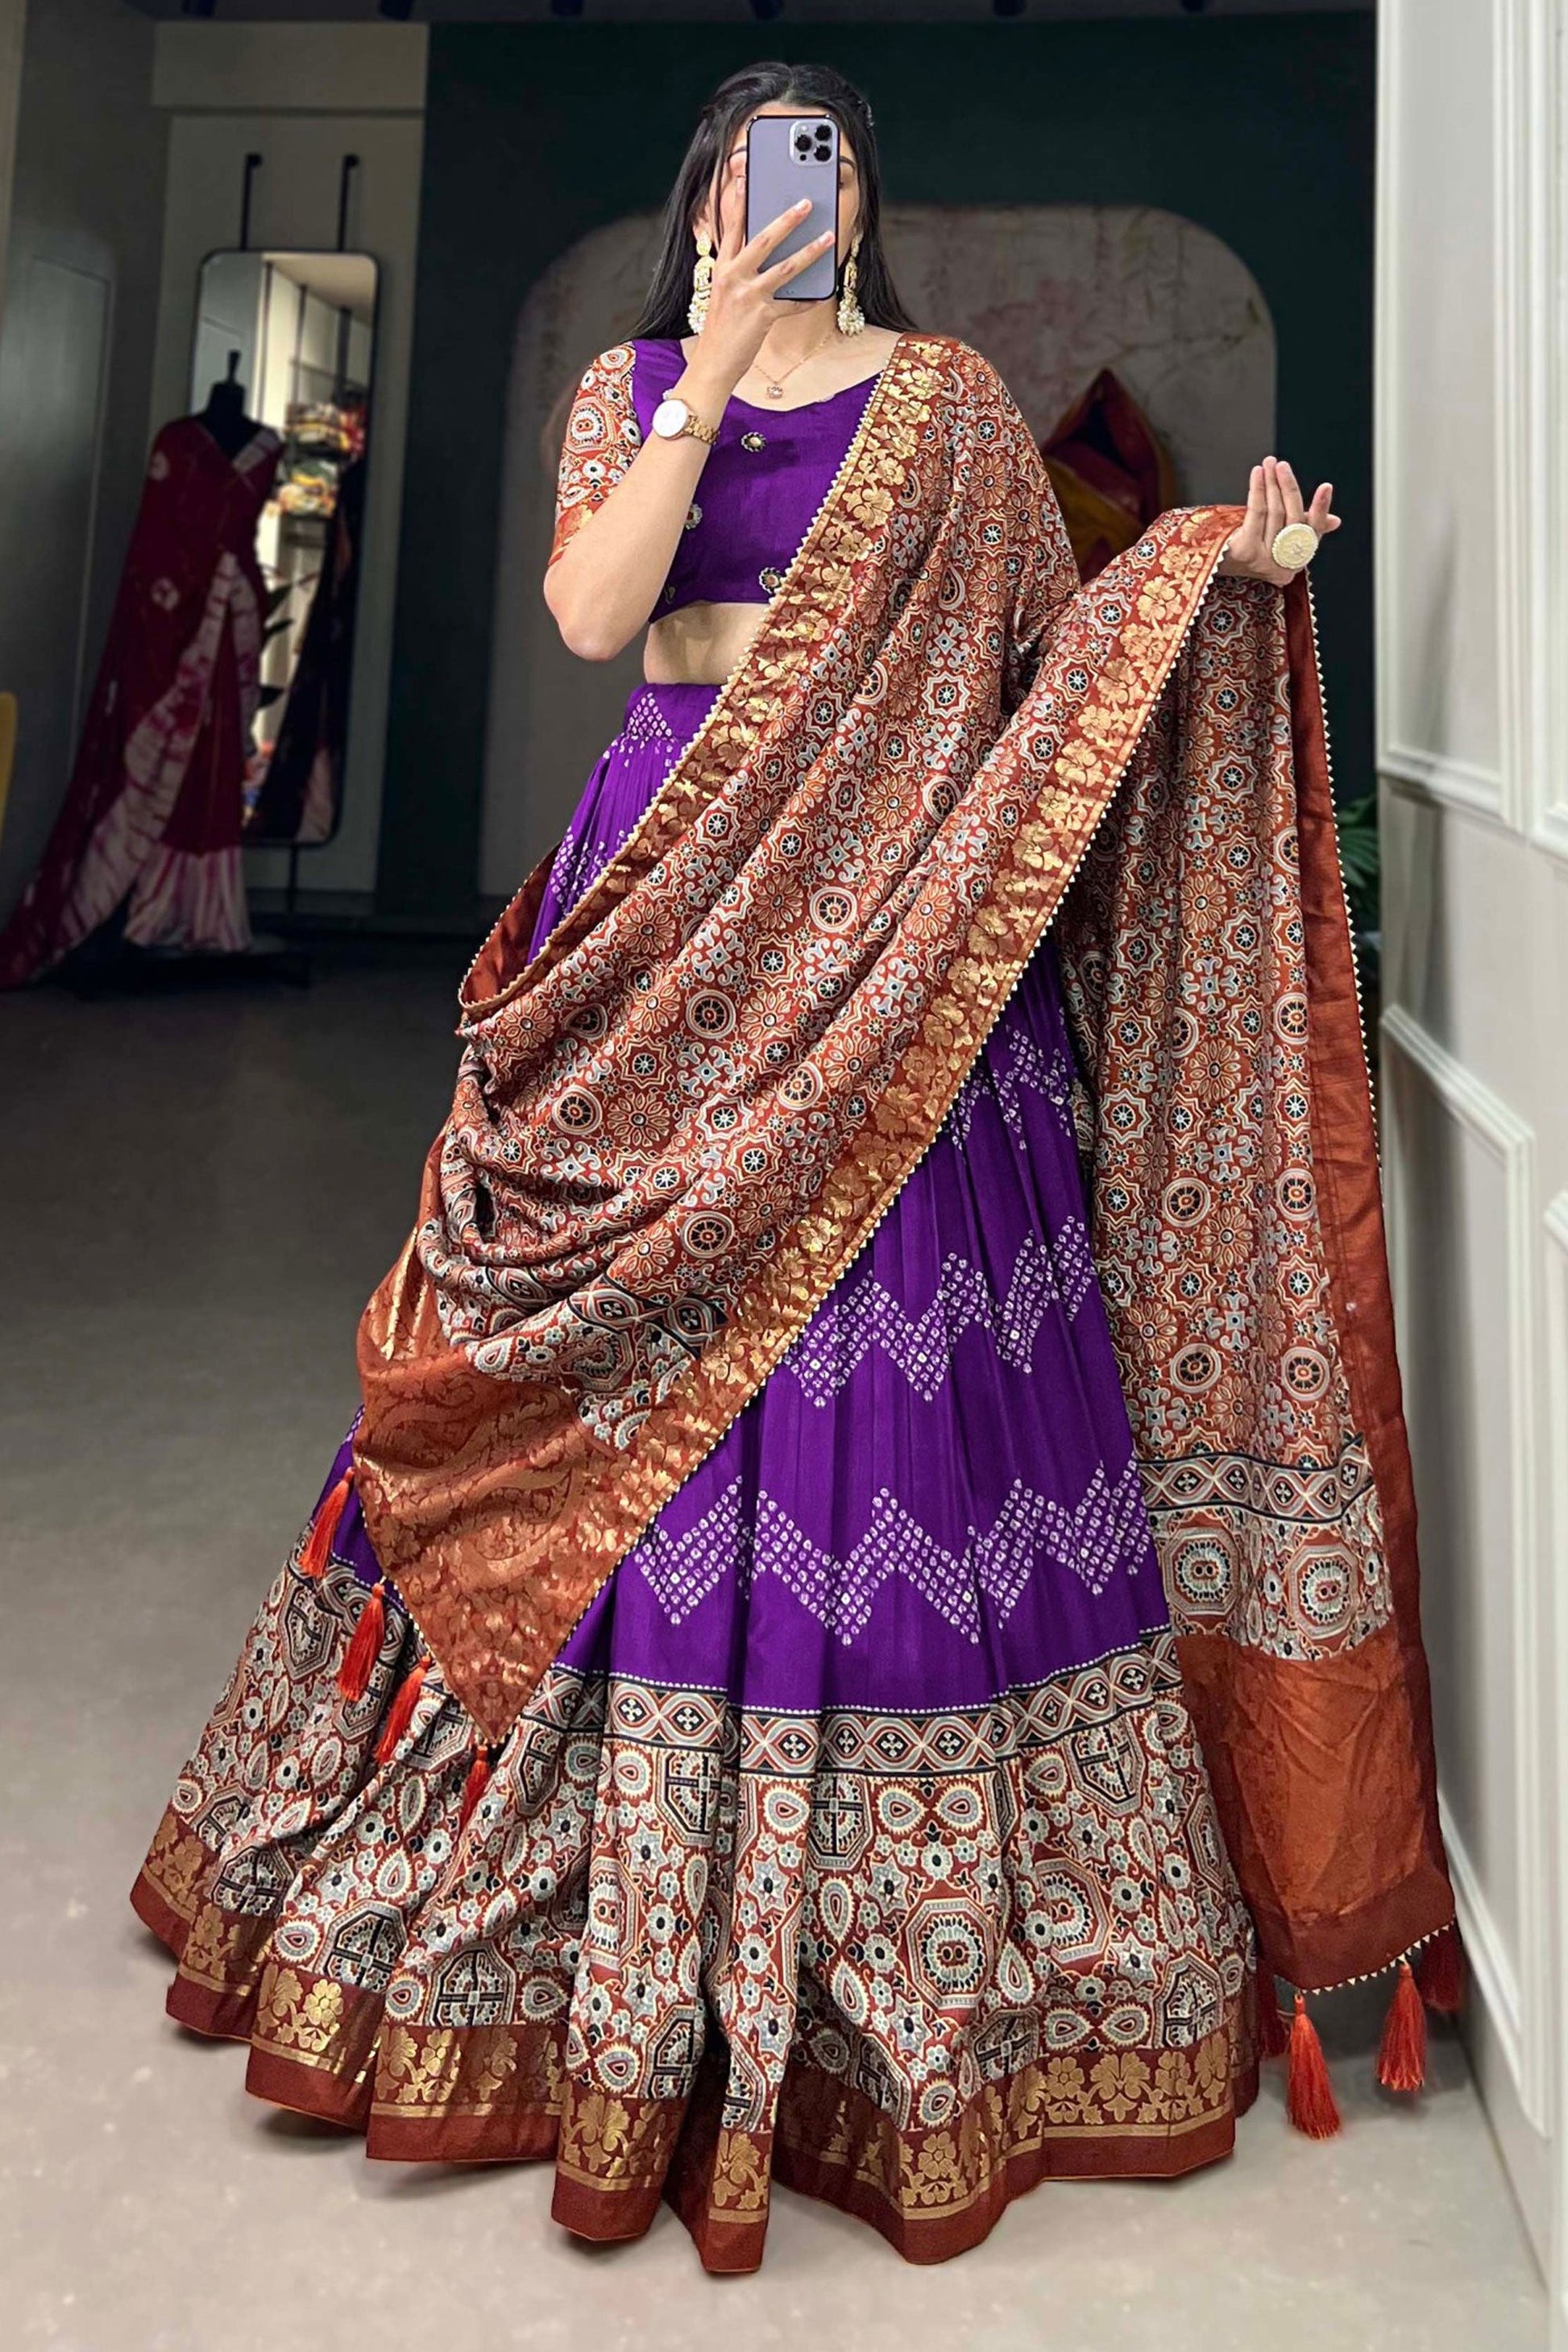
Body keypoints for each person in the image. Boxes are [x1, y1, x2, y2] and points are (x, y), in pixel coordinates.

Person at [132, 62, 1454, 2271]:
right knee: (612, 1373)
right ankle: (585, 1922)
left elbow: (1038, 679)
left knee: (901, 1399)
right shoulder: (628, 387)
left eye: (828, 158)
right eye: (757, 161)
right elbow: (590, 620)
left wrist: (1216, 572)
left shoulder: (949, 415)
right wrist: (707, 378)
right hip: (667, 923)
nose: (795, 186)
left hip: (902, 965)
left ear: (867, 196)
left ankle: (903, 1972)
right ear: (700, 204)